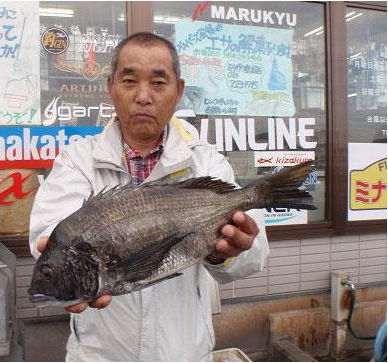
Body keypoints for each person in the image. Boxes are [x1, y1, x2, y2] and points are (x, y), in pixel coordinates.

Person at [29, 32, 270, 361]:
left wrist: (224, 253)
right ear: (111, 86)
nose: (144, 96)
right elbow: (49, 232)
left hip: (185, 354)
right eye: (129, 81)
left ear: (178, 91)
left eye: (158, 83)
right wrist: (57, 253)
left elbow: (254, 255)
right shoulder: (77, 160)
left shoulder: (207, 162)